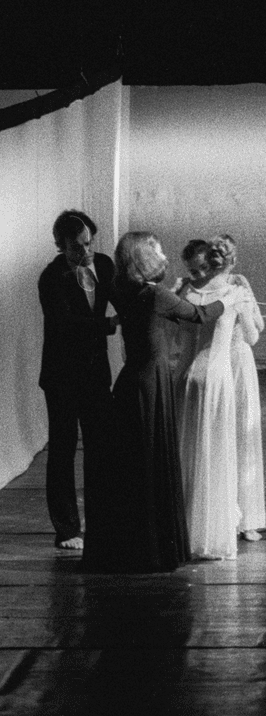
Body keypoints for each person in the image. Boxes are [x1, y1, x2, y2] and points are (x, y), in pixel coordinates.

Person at [81, 232, 232, 573]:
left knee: (135, 467)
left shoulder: (125, 289)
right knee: (150, 464)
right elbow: (199, 314)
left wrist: (175, 293)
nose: (163, 254)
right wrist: (229, 300)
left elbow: (161, 312)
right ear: (145, 256)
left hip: (133, 379)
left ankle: (132, 546)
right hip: (152, 382)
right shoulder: (155, 294)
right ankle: (151, 550)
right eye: (157, 250)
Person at [37, 209, 118, 551]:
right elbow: (64, 325)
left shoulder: (104, 264)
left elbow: (122, 298)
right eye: (76, 247)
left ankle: (102, 523)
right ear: (60, 244)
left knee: (100, 447)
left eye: (89, 243)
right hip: (61, 376)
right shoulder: (51, 277)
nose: (86, 252)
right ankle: (67, 529)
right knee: (63, 449)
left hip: (96, 371)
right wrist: (107, 325)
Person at [176, 238, 250, 561]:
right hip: (212, 378)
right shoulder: (232, 293)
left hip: (189, 378)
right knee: (210, 453)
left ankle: (188, 530)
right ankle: (207, 530)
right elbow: (251, 334)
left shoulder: (184, 292)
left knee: (191, 451)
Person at [218, 235, 266, 543]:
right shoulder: (223, 286)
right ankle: (231, 515)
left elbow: (257, 326)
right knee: (230, 434)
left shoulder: (239, 284)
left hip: (236, 361)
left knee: (240, 435)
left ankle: (244, 517)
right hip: (227, 358)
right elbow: (255, 333)